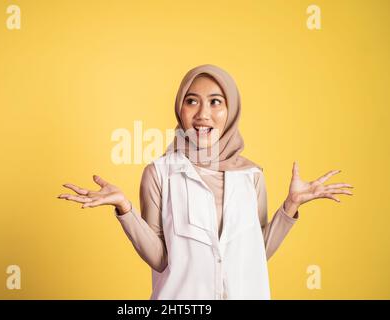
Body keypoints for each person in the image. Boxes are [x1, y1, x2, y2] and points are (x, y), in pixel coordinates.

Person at [57, 64, 354, 299]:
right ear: (180, 108)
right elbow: (160, 259)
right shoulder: (159, 173)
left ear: (231, 110)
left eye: (215, 102)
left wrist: (289, 208)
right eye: (192, 101)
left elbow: (255, 254)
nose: (203, 115)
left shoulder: (251, 175)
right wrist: (125, 209)